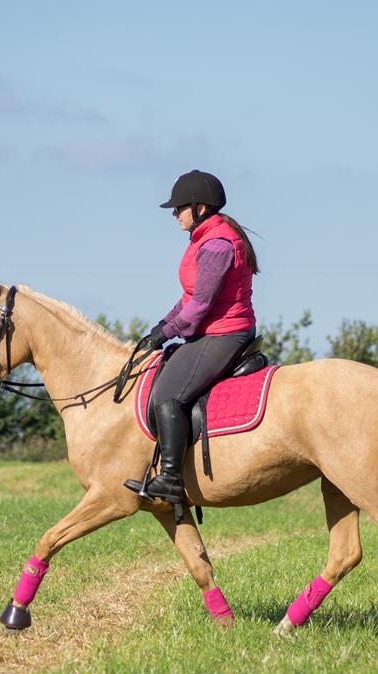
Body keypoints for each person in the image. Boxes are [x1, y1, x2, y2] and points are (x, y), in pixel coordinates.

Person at [124, 170, 259, 508]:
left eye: (179, 207)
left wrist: (170, 333)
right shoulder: (204, 240)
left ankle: (170, 478)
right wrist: (160, 328)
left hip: (224, 333)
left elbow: (199, 307)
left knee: (168, 394)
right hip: (212, 331)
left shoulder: (216, 244)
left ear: (199, 207)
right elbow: (189, 298)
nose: (174, 214)